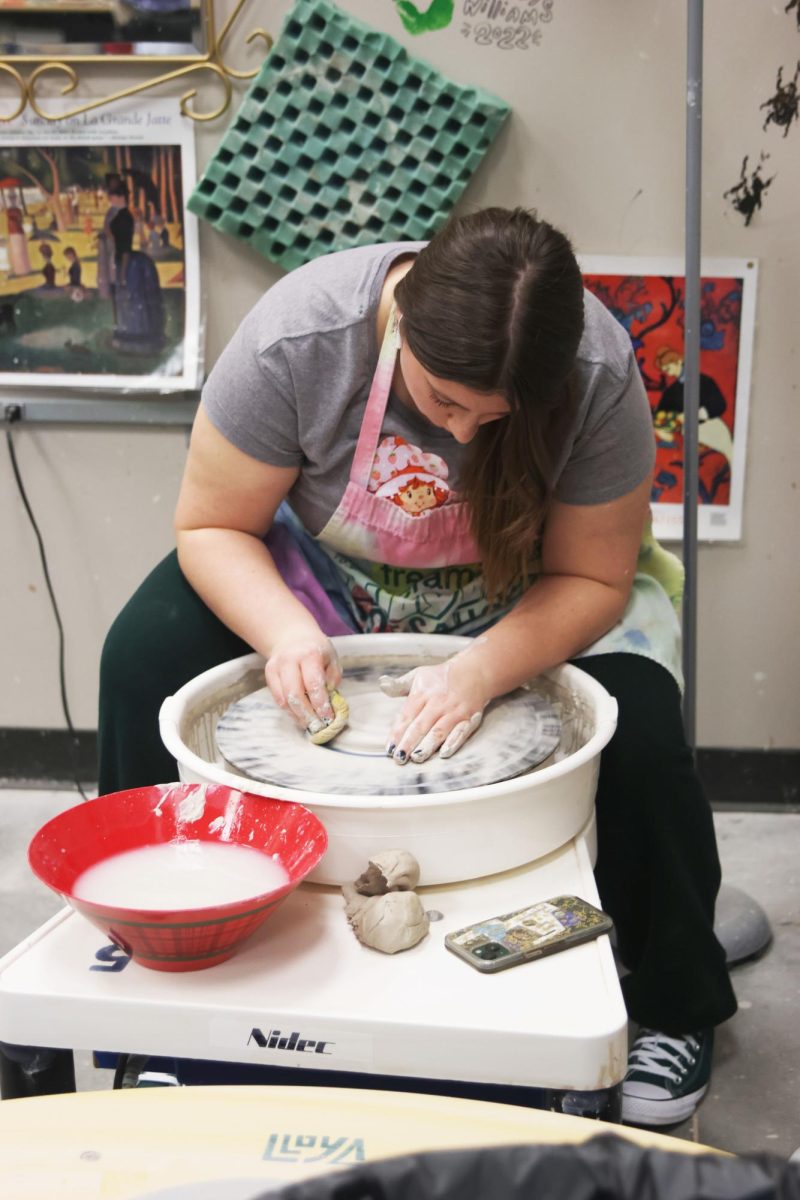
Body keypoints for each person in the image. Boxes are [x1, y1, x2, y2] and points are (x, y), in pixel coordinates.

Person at [98, 207, 737, 1128]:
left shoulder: (596, 372)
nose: (468, 434)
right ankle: (166, 973)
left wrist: (482, 670)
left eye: (496, 416)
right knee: (143, 655)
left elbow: (594, 573)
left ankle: (675, 997)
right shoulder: (302, 338)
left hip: (525, 590)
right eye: (444, 402)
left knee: (637, 725)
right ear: (402, 324)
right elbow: (212, 525)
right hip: (322, 579)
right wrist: (283, 633)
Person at [100, 174, 165, 352]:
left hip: (128, 263)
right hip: (123, 260)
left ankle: (137, 337)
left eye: (112, 195)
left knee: (132, 300)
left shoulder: (124, 218)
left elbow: (125, 247)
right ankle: (130, 334)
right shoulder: (118, 215)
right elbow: (113, 236)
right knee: (126, 301)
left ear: (120, 197)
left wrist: (122, 275)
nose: (109, 198)